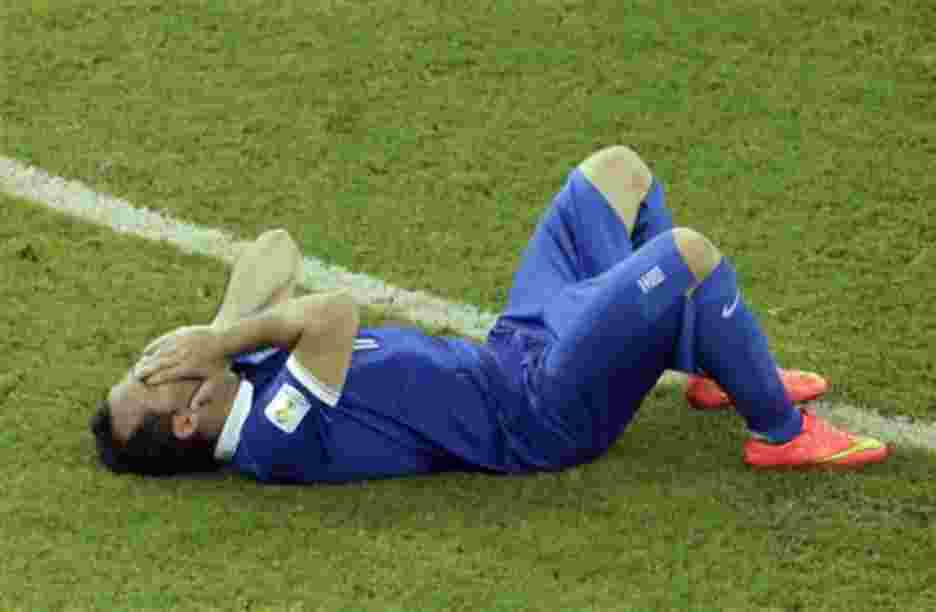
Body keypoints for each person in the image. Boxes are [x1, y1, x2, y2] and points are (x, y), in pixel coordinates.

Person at [90, 145, 890, 482]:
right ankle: (780, 433)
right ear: (189, 421)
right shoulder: (271, 440)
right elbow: (332, 311)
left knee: (617, 172)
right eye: (146, 379)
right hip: (541, 413)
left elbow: (276, 248)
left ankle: (718, 362)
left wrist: (217, 336)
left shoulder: (237, 366)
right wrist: (224, 340)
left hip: (519, 345)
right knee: (685, 255)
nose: (151, 359)